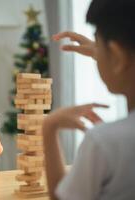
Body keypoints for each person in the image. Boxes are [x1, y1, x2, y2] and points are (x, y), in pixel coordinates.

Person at [42, 0, 135, 199]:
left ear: (117, 56)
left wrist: (50, 126)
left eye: (98, 44)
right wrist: (103, 52)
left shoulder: (104, 142)